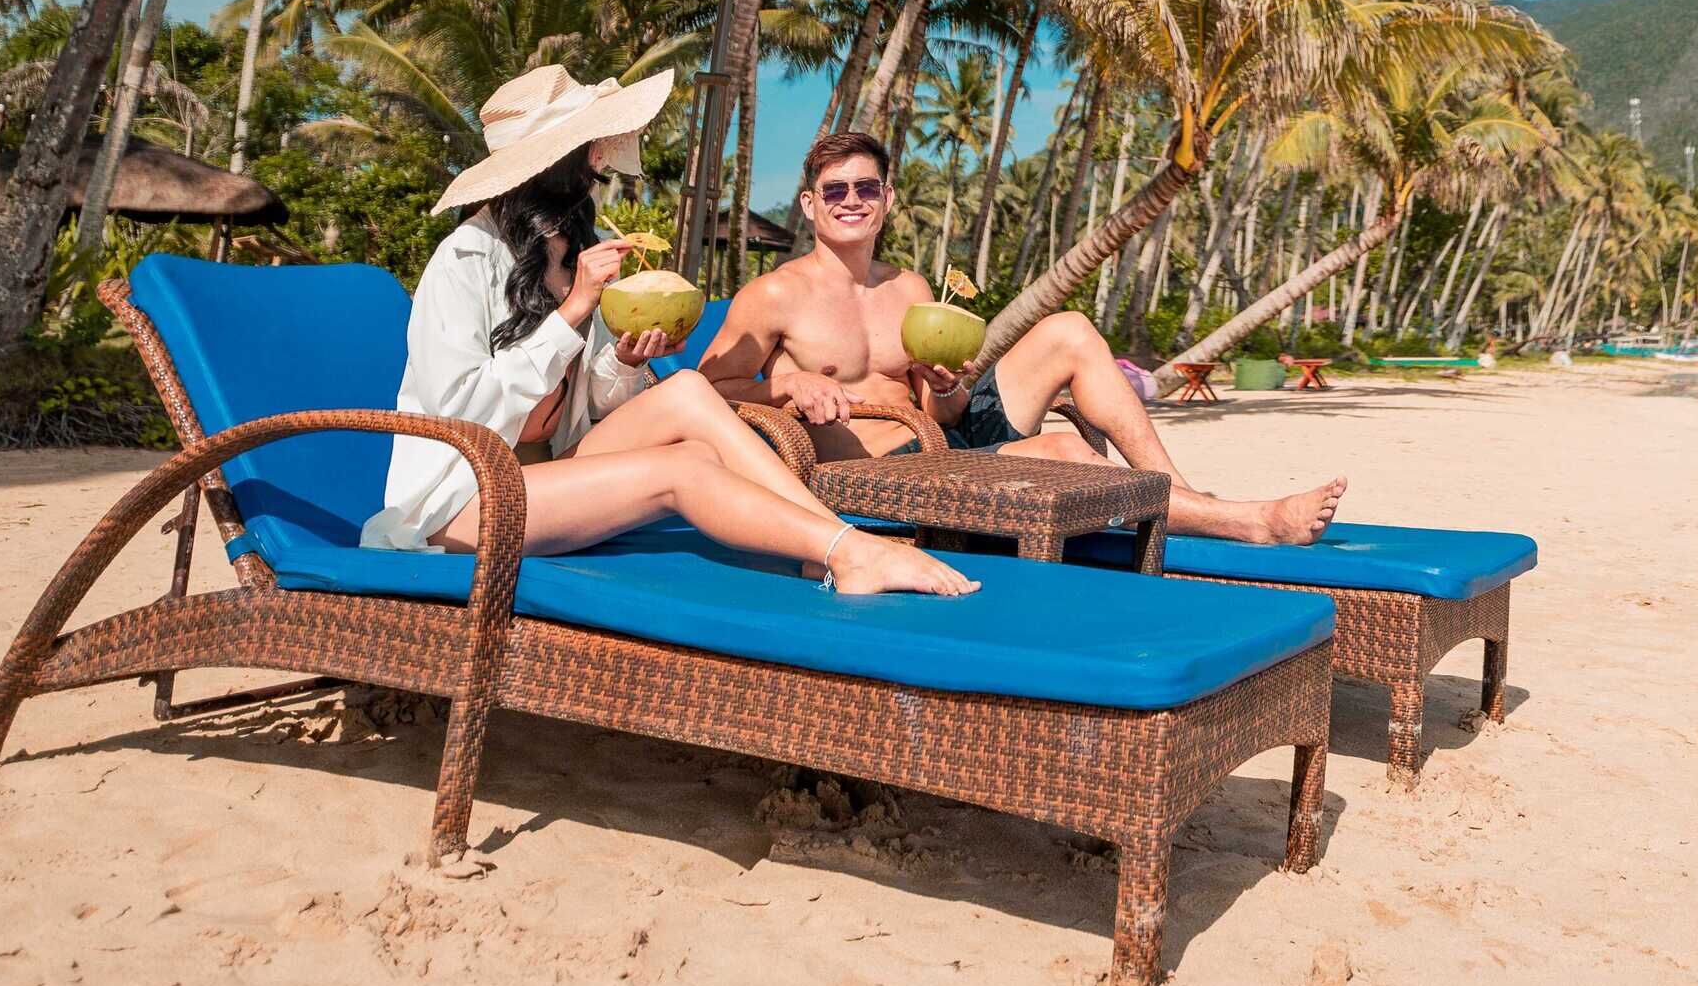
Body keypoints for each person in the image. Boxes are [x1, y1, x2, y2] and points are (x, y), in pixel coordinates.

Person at [365, 65, 972, 599]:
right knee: (682, 471)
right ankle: (849, 549)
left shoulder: (576, 250)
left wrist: (626, 364)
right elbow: (457, 410)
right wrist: (572, 313)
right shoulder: (465, 258)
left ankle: (832, 545)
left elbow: (595, 407)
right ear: (551, 160)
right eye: (590, 148)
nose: (601, 161)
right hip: (468, 497)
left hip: (554, 471)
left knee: (685, 392)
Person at [701, 127, 1346, 547]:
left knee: (1070, 329)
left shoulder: (911, 287)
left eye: (865, 187)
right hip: (885, 467)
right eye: (834, 189)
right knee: (1065, 450)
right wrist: (789, 384)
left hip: (944, 439)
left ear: (888, 198)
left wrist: (946, 388)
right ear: (810, 204)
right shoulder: (776, 294)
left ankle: (1179, 490)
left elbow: (941, 413)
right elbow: (706, 388)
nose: (851, 200)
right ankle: (1248, 521)